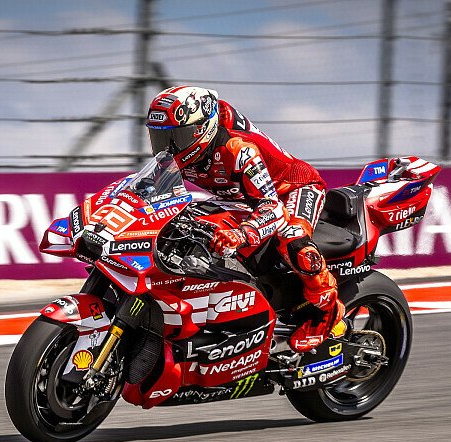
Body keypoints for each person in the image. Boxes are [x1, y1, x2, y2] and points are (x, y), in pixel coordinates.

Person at [145, 85, 344, 353]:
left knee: (293, 237)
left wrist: (242, 233)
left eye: (176, 137)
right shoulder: (176, 155)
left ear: (201, 128)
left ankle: (328, 310)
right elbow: (148, 194)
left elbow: (272, 208)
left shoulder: (237, 149)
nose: (167, 147)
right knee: (188, 222)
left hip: (292, 189)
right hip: (242, 196)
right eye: (160, 138)